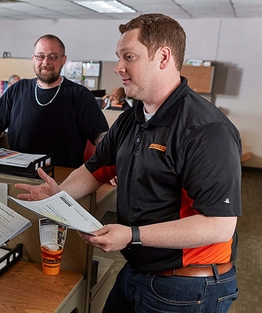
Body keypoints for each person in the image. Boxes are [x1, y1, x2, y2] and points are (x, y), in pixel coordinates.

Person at [16, 13, 241, 313]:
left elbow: (219, 225)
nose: (119, 67)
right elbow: (96, 168)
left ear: (163, 57)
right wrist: (61, 194)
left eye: (129, 57)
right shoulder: (131, 120)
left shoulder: (205, 130)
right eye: (118, 57)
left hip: (188, 287)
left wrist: (132, 235)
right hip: (138, 270)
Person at [0, 34, 109, 168]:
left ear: (63, 60)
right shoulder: (17, 89)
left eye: (53, 57)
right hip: (19, 172)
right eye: (40, 56)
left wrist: (110, 164)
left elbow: (101, 136)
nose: (46, 62)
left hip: (63, 177)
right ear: (33, 58)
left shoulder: (79, 95)